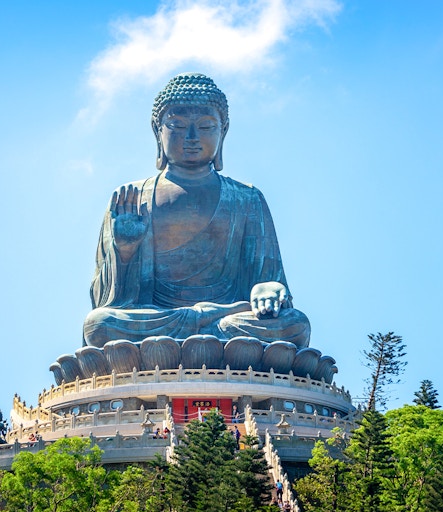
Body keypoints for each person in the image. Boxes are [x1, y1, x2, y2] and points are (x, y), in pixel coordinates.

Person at [83, 73, 310, 349]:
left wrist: (267, 289)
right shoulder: (131, 198)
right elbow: (106, 301)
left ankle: (193, 339)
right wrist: (125, 251)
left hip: (229, 318)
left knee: (295, 325)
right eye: (176, 125)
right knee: (99, 325)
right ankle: (202, 340)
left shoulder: (247, 199)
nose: (191, 137)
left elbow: (268, 281)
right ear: (158, 132)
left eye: (205, 126)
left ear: (222, 132)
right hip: (159, 320)